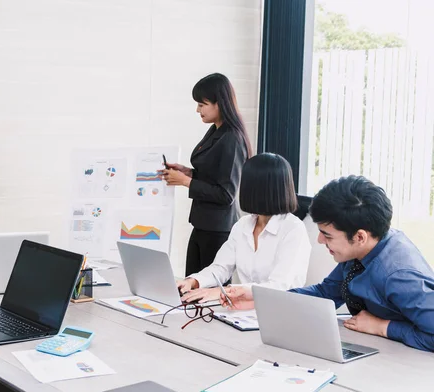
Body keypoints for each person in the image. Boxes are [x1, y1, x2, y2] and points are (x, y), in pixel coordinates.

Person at [220, 175, 434, 352]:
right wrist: (259, 297)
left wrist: (383, 327)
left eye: (327, 235)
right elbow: (326, 292)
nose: (320, 241)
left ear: (359, 237)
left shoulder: (400, 275)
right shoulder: (362, 249)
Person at [178, 153, 311, 304]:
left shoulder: (293, 229)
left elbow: (279, 286)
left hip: (279, 310)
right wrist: (193, 281)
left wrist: (225, 291)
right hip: (243, 310)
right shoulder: (243, 224)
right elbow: (221, 267)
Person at [161, 73, 253, 276]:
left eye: (202, 104)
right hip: (203, 224)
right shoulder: (216, 131)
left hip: (218, 230)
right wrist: (188, 172)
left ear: (219, 103)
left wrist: (186, 181)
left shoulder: (232, 139)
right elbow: (213, 174)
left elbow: (226, 194)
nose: (197, 110)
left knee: (207, 293)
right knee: (190, 286)